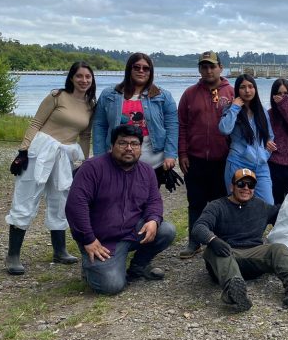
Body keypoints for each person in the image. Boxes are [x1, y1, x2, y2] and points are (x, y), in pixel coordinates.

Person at [5, 62, 97, 275]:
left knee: (61, 200)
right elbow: (36, 123)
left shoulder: (91, 104)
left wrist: (82, 161)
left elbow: (85, 135)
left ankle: (60, 250)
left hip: (65, 155)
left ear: (92, 80)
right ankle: (13, 255)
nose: (84, 80)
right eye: (79, 76)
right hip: (41, 150)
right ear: (72, 78)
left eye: (88, 77)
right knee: (26, 198)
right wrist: (23, 151)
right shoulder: (57, 96)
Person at [65, 124, 176, 295]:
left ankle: (138, 266)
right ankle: (90, 269)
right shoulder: (92, 168)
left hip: (132, 231)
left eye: (135, 144)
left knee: (166, 230)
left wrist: (153, 219)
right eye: (123, 143)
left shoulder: (147, 171)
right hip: (101, 239)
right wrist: (88, 239)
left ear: (140, 148)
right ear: (112, 146)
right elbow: (75, 205)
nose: (129, 148)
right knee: (111, 286)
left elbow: (154, 200)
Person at [191, 168, 288, 312]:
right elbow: (198, 227)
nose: (246, 188)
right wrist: (212, 239)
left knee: (278, 248)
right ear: (231, 186)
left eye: (250, 185)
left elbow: (285, 214)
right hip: (228, 254)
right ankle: (234, 293)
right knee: (212, 251)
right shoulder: (216, 206)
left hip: (254, 257)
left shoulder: (261, 206)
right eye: (241, 184)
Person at [176, 50, 234, 257]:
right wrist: (182, 153)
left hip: (224, 159)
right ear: (200, 69)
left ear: (220, 68)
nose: (208, 70)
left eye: (212, 66)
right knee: (196, 202)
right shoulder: (189, 94)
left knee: (222, 202)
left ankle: (221, 239)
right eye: (204, 66)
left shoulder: (232, 93)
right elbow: (181, 125)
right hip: (195, 158)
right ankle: (194, 241)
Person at [92, 52, 179, 178]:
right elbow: (100, 125)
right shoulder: (109, 95)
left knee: (148, 196)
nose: (141, 71)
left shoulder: (164, 96)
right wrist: (99, 157)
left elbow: (172, 126)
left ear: (151, 72)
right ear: (129, 69)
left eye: (146, 68)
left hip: (153, 162)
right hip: (117, 160)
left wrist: (170, 154)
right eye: (136, 67)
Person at [219, 74, 276, 203]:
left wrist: (266, 148)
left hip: (260, 166)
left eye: (251, 86)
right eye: (243, 87)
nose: (247, 90)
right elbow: (224, 129)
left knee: (267, 204)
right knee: (238, 205)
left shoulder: (262, 111)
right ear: (237, 90)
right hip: (238, 163)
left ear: (255, 89)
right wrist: (235, 107)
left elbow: (269, 135)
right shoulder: (231, 109)